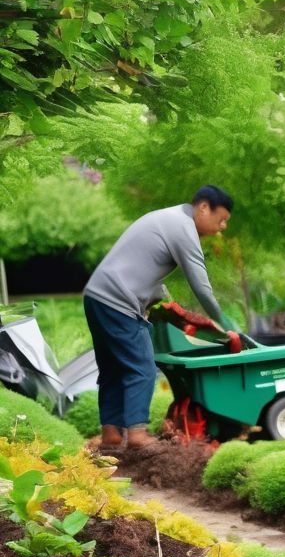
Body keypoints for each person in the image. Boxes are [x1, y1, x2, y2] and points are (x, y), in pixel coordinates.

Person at [83, 185, 234, 451]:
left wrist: (158, 296)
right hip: (118, 301)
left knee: (112, 369)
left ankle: (111, 435)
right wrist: (223, 322)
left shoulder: (168, 218)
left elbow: (139, 267)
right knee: (141, 368)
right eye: (221, 219)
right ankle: (138, 435)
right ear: (203, 208)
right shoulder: (183, 228)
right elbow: (201, 287)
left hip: (96, 296)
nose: (222, 227)